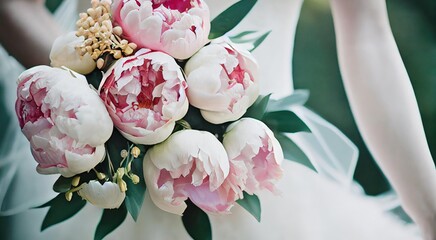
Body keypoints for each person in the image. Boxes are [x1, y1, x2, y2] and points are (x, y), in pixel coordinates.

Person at [0, 0, 434, 239]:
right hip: (113, 185)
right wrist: (106, 101)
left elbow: (368, 33)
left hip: (263, 182)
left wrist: (431, 212)